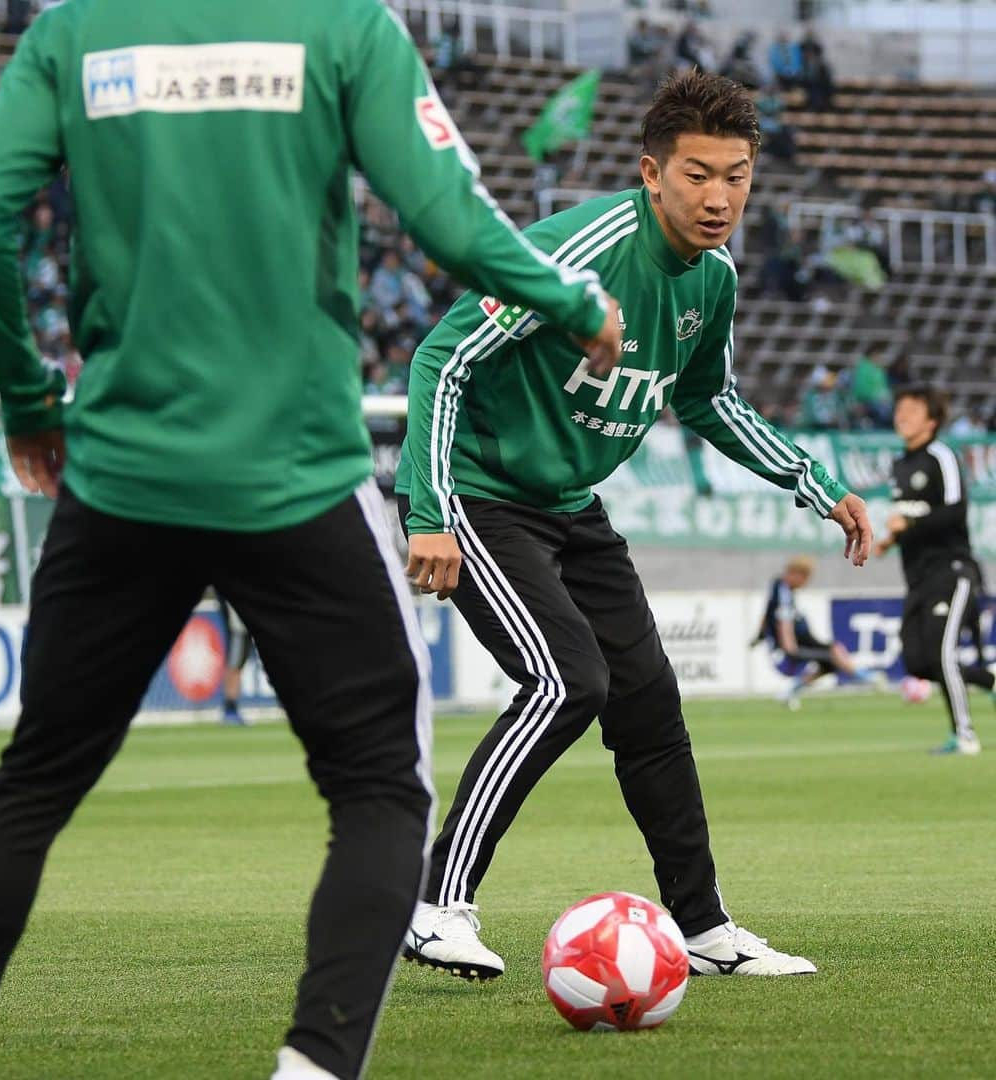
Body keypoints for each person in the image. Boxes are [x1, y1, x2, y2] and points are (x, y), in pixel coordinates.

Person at [0, 2, 624, 1078]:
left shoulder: (75, 32)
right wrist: (569, 297)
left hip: (120, 477)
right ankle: (312, 1064)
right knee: (382, 789)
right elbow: (447, 217)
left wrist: (25, 393)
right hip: (294, 479)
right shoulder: (344, 27)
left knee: (35, 781)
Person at [395, 71, 873, 984]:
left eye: (736, 175)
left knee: (648, 700)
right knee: (565, 680)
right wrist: (428, 513)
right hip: (479, 494)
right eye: (697, 174)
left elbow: (708, 400)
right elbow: (441, 361)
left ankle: (703, 926)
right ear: (651, 173)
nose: (719, 196)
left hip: (571, 508)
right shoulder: (577, 255)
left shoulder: (716, 278)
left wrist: (814, 482)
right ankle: (433, 904)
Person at [875, 386, 994, 755]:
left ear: (931, 419)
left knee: (943, 652)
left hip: (952, 568)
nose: (902, 416)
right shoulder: (899, 464)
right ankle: (989, 680)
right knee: (917, 660)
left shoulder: (942, 456)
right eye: (899, 408)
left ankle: (966, 736)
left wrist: (905, 527)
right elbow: (909, 518)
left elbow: (954, 512)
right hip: (917, 576)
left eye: (911, 410)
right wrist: (889, 540)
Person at [757, 555, 880, 710]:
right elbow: (784, 622)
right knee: (832, 658)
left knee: (833, 654)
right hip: (788, 648)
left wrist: (758, 636)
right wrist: (789, 648)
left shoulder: (780, 588)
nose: (806, 583)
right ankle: (868, 678)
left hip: (801, 641)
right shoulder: (783, 592)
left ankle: (791, 691)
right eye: (805, 578)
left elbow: (766, 615)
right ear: (796, 574)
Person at [216, 592, 253, 726]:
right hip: (238, 623)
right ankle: (230, 708)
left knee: (237, 662)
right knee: (235, 661)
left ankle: (230, 708)